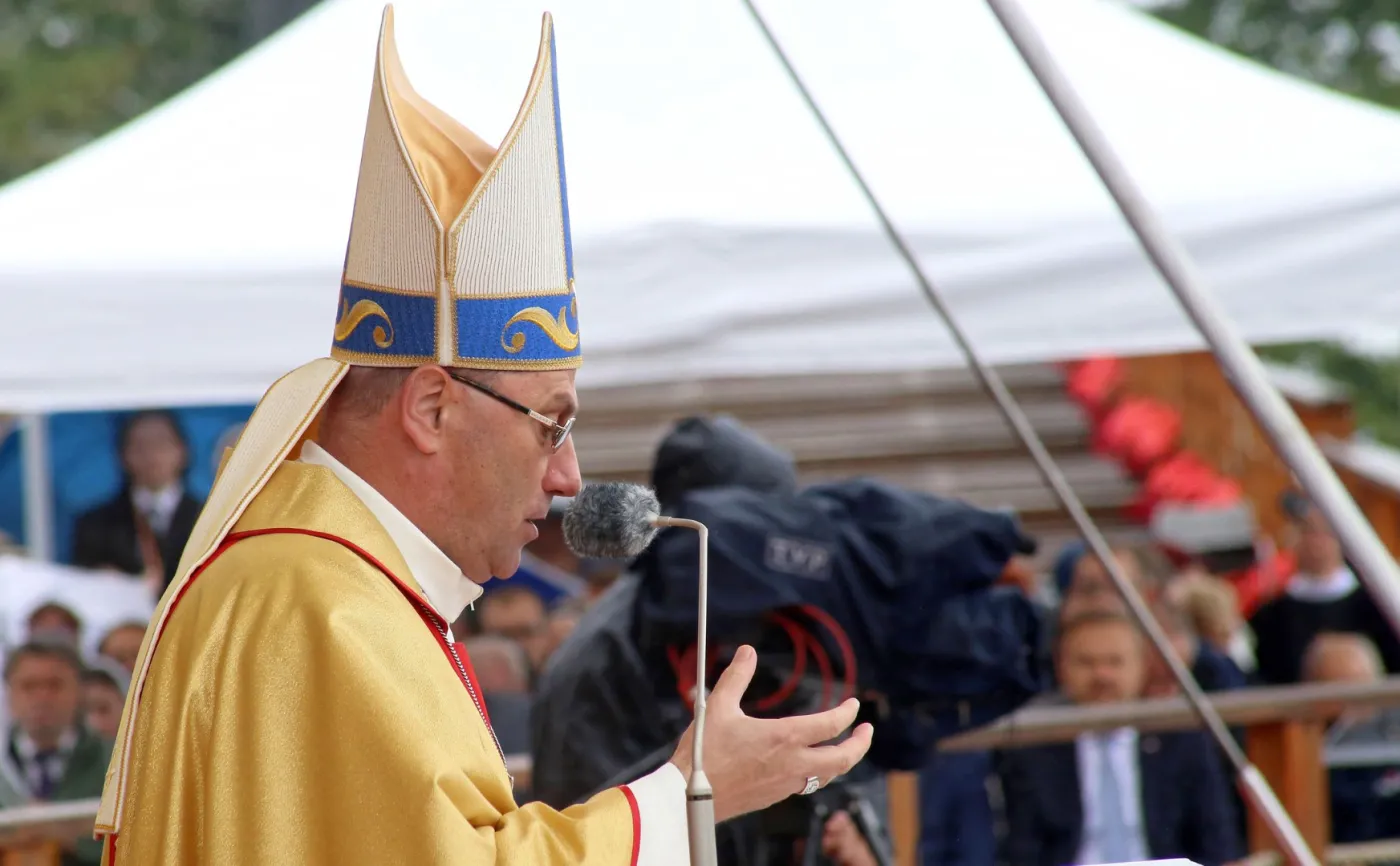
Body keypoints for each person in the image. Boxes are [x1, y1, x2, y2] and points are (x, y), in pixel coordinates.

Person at [93, 8, 872, 865]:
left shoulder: (329, 578)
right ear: (430, 409)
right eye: (552, 426)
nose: (571, 477)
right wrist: (687, 791)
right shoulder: (321, 605)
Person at [71, 410, 205, 592]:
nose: (151, 454)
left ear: (182, 450)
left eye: (161, 443)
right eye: (140, 446)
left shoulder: (208, 518)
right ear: (123, 455)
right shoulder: (96, 524)